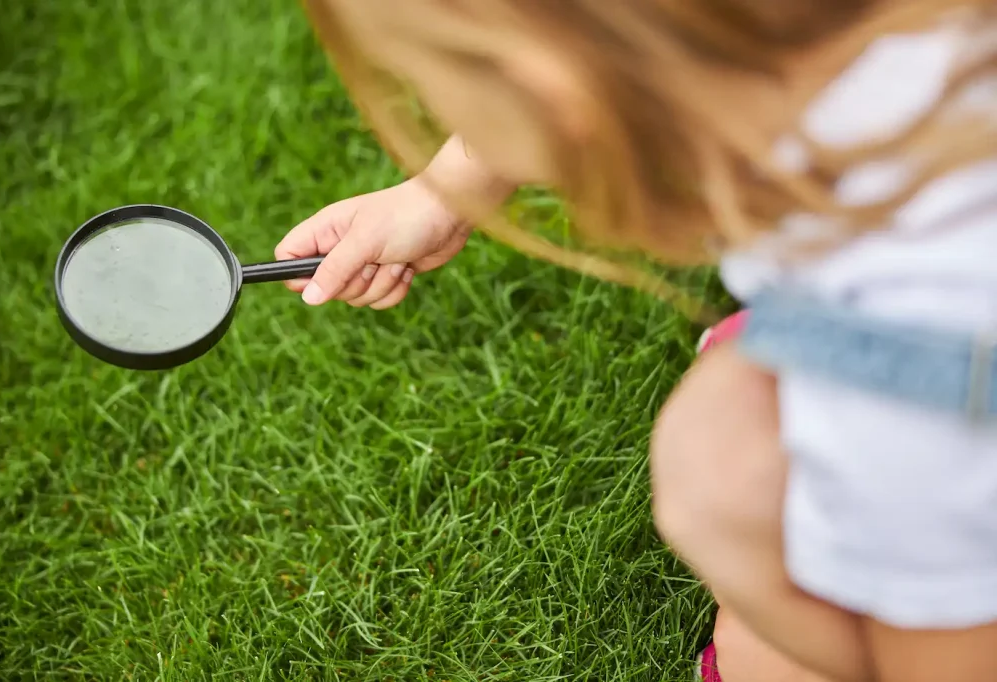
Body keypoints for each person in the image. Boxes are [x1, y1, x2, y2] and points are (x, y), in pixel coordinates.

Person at [276, 1, 997, 680]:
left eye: (440, 94)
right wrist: (441, 193)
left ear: (556, 95)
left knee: (718, 484)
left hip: (939, 398)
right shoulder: (891, 53)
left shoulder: (918, 370)